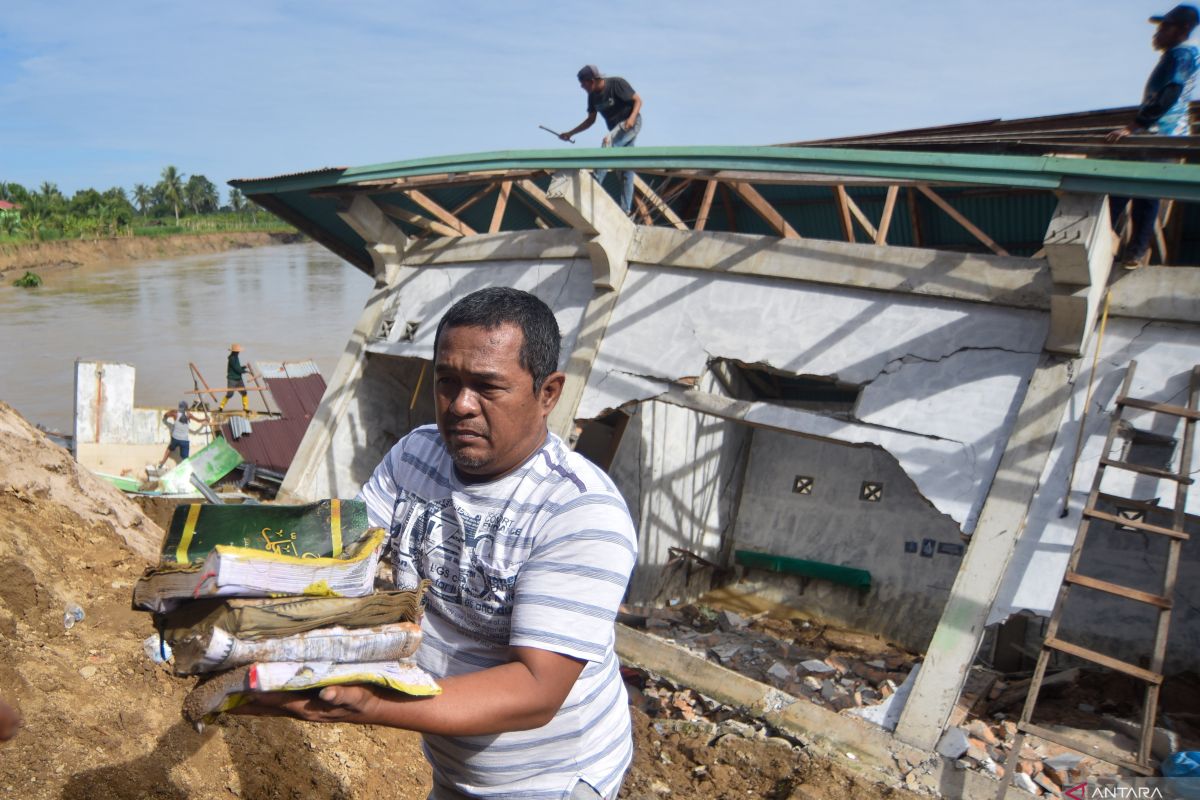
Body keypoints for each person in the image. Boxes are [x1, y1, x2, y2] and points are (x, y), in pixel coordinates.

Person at [232, 288, 638, 800]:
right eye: (448, 383)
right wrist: (232, 581)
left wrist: (371, 703)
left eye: (488, 386)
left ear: (548, 393)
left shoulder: (578, 512)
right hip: (453, 764)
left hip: (548, 781)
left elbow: (537, 690)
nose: (461, 406)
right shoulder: (416, 455)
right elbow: (340, 549)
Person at [1105, 4, 1200, 268]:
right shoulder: (1180, 54)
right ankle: (1132, 251)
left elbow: (1170, 92)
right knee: (1143, 191)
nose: (1157, 34)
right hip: (1164, 134)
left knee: (1130, 187)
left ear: (1182, 30)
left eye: (1164, 28)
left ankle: (1123, 245)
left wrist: (1134, 126)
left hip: (1161, 133)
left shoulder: (1181, 55)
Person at [560, 65, 643, 214]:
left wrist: (631, 119)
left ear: (592, 81)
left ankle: (594, 185)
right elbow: (590, 120)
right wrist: (570, 133)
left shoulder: (616, 84)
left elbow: (638, 101)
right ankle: (627, 211)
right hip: (615, 129)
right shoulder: (592, 96)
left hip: (631, 123)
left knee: (608, 144)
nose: (581, 87)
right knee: (626, 169)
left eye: (583, 83)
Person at [158, 401, 204, 468]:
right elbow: (199, 420)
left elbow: (166, 415)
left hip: (175, 439)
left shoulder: (175, 414)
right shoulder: (189, 415)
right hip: (184, 441)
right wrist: (205, 419)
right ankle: (186, 469)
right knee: (185, 459)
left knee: (169, 449)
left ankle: (162, 462)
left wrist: (167, 416)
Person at [218, 343, 251, 412]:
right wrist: (245, 371)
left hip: (238, 379)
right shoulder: (232, 358)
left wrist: (244, 367)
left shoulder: (236, 357)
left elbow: (238, 368)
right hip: (232, 379)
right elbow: (237, 369)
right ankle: (221, 407)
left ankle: (246, 408)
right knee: (230, 394)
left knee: (244, 392)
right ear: (235, 352)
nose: (239, 352)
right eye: (238, 351)